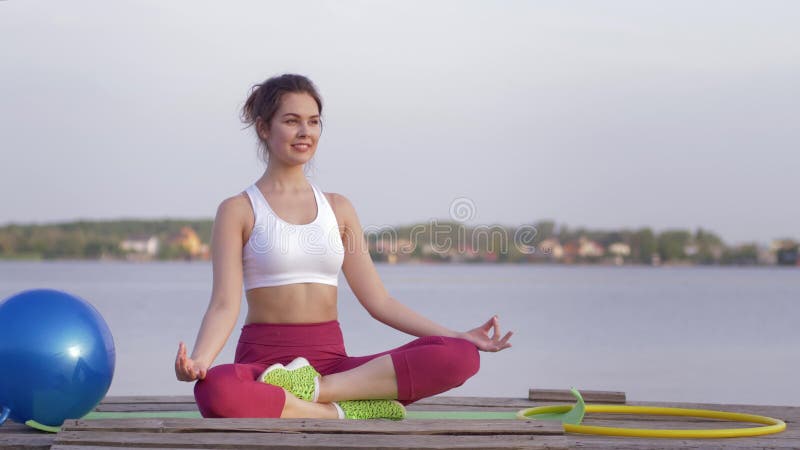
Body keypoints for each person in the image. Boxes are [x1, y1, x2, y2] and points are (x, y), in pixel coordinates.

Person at [174, 74, 513, 419]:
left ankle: (317, 393)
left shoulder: (339, 209)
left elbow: (379, 301)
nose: (305, 132)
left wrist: (458, 335)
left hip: (334, 367)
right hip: (264, 365)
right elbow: (223, 305)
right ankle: (340, 412)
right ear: (264, 128)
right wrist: (200, 360)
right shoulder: (238, 210)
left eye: (313, 122)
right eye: (292, 121)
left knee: (460, 356)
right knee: (215, 389)